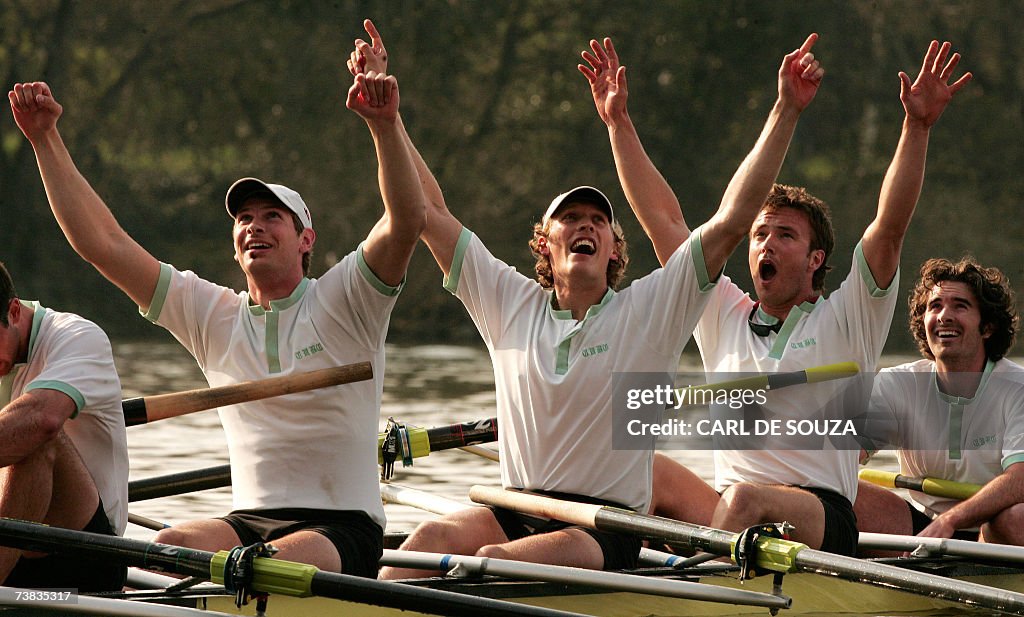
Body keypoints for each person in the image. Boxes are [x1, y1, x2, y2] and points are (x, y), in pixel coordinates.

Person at [353, 21, 822, 578]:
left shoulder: (649, 311)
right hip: (516, 509)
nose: (586, 226)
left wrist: (785, 109)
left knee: (492, 564)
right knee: (417, 551)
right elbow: (429, 214)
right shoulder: (509, 301)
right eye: (571, 219)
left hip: (602, 529)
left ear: (613, 250)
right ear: (546, 247)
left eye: (599, 221)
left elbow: (729, 222)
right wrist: (388, 118)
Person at [9, 56, 425, 577]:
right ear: (234, 247)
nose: (255, 226)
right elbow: (105, 246)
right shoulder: (215, 316)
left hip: (342, 529)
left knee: (258, 567)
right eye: (245, 218)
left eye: (273, 216)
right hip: (246, 523)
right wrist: (45, 140)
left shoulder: (348, 298)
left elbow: (407, 219)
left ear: (306, 240)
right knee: (167, 546)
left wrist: (384, 126)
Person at [608, 39, 972, 556]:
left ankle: (691, 584)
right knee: (642, 466)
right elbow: (663, 222)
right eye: (759, 235)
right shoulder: (721, 314)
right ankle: (619, 573)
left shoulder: (849, 318)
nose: (765, 245)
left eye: (784, 235)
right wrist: (618, 123)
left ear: (816, 259)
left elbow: (888, 228)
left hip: (821, 517)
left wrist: (917, 128)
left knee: (742, 502)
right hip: (735, 509)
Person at [854, 257, 1024, 546]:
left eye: (960, 305)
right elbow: (847, 454)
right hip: (923, 528)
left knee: (1017, 516)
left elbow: (1020, 480)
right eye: (935, 306)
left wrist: (951, 521)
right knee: (835, 490)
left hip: (993, 533)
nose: (944, 316)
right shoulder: (897, 383)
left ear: (988, 327)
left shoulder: (1017, 387)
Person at [0, 261, 128, 591]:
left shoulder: (79, 337)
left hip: (87, 555)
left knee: (37, 436)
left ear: (14, 311)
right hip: (16, 553)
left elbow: (42, 421)